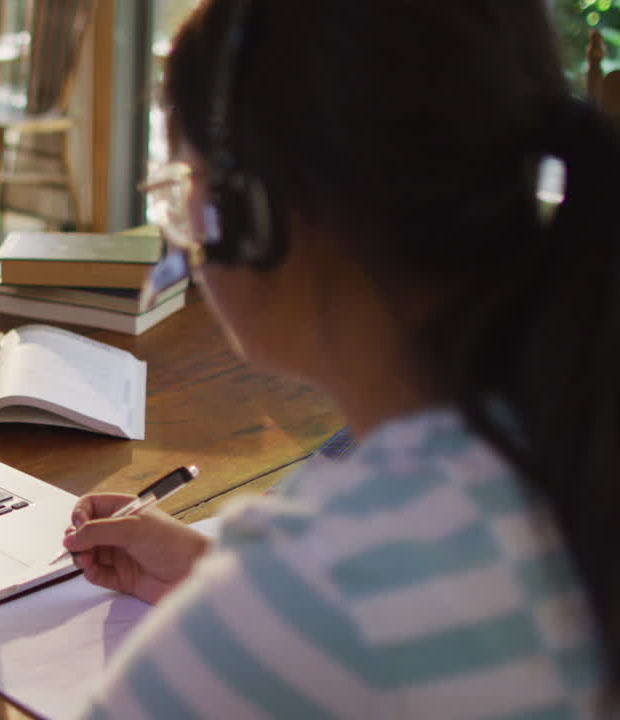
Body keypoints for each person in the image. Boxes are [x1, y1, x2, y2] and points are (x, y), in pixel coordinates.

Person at [61, 1, 616, 716]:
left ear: (256, 211)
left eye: (182, 187)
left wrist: (258, 613)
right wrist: (220, 579)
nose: (186, 237)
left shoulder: (317, 592)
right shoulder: (566, 439)